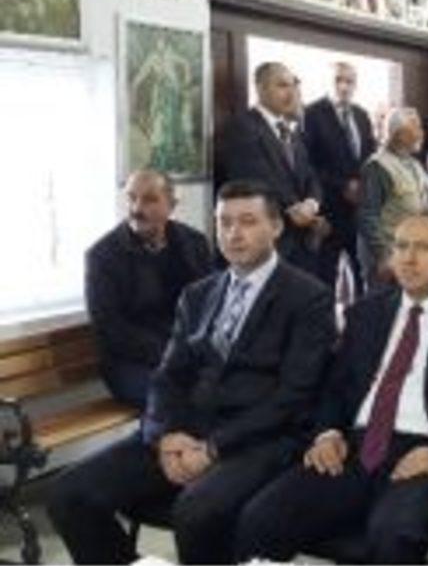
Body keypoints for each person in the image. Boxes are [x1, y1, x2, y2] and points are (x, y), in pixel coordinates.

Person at [48, 181, 335, 564]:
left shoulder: (308, 297)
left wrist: (212, 448)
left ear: (276, 227)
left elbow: (293, 396)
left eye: (248, 221)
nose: (233, 233)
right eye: (224, 222)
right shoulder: (198, 295)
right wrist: (165, 435)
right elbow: (167, 377)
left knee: (196, 512)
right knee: (69, 494)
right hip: (185, 430)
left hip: (257, 439)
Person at [233, 209, 428, 564]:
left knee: (392, 534)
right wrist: (327, 433)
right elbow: (335, 387)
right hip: (355, 448)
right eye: (401, 246)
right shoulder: (367, 313)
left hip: (425, 452)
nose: (409, 258)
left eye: (424, 248)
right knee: (261, 518)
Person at [85, 170, 211, 409]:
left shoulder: (194, 243)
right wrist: (173, 354)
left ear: (171, 205)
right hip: (131, 362)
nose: (136, 208)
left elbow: (210, 304)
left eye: (149, 199)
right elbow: (110, 327)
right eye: (131, 198)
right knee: (176, 394)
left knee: (235, 381)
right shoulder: (103, 256)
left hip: (189, 351)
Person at [215, 62, 324, 276]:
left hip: (302, 244)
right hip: (268, 242)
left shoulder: (291, 130)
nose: (290, 93)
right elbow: (254, 180)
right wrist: (293, 207)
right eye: (282, 85)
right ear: (260, 88)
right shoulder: (242, 127)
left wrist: (312, 203)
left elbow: (310, 175)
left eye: (292, 86)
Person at [303, 62, 378, 294]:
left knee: (363, 274)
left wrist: (364, 185)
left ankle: (360, 316)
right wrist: (343, 185)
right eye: (338, 80)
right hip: (328, 209)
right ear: (328, 82)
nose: (344, 86)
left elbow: (370, 156)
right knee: (325, 277)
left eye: (349, 81)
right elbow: (307, 164)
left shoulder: (362, 115)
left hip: (358, 212)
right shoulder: (311, 113)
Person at [359, 108, 428, 291]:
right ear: (400, 134)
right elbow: (368, 216)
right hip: (388, 257)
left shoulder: (414, 163)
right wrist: (383, 255)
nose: (421, 133)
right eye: (416, 128)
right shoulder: (377, 166)